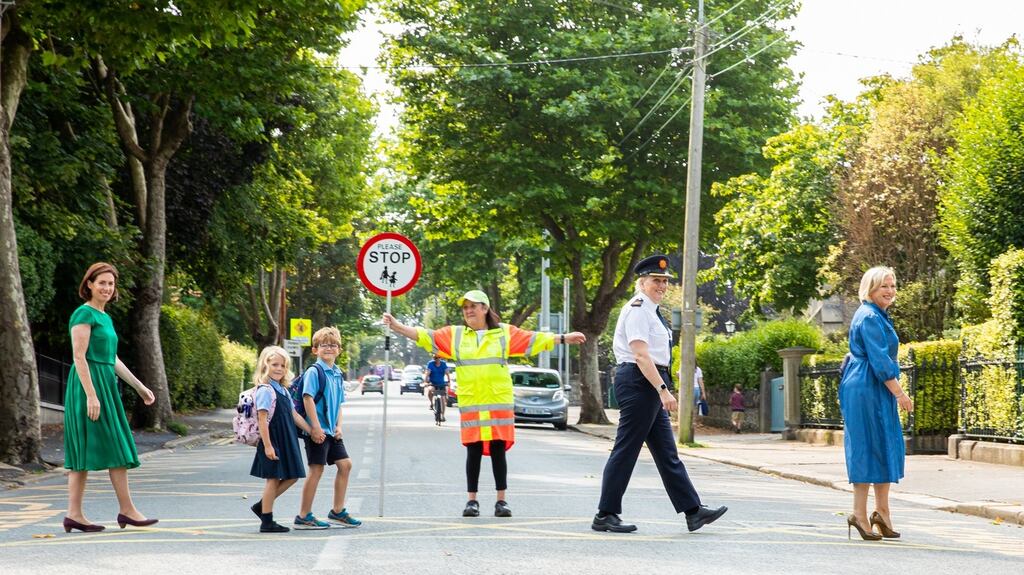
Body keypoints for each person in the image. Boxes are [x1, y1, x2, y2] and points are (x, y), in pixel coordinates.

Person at [383, 290, 585, 518]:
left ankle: (501, 501)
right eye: (465, 307)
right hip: (472, 402)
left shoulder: (503, 333)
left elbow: (534, 339)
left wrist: (564, 338)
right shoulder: (455, 335)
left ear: (485, 309)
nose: (468, 311)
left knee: (499, 450)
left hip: (498, 402)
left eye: (473, 306)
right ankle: (472, 501)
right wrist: (397, 326)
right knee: (474, 451)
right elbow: (425, 335)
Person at [593, 254, 727, 534]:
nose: (662, 286)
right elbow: (641, 356)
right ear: (642, 283)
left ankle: (693, 511)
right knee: (626, 449)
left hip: (650, 382)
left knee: (667, 453)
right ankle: (605, 513)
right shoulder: (639, 308)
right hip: (640, 381)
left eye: (665, 281)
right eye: (656, 280)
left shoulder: (652, 311)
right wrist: (663, 390)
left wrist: (662, 386)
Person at [63, 262, 159, 533]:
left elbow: (111, 358)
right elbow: (79, 356)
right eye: (101, 282)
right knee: (89, 449)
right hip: (88, 387)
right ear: (89, 285)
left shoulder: (105, 318)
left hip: (106, 384)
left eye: (110, 283)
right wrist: (91, 396)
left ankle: (78, 514)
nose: (106, 288)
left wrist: (139, 386)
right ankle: (114, 511)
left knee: (114, 446)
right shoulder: (83, 314)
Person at [839, 266, 913, 541]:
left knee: (884, 444)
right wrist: (899, 393)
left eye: (893, 286)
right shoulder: (869, 316)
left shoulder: (878, 315)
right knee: (866, 446)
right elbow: (880, 362)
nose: (890, 291)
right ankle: (859, 514)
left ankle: (882, 511)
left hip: (872, 387)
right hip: (866, 387)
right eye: (884, 286)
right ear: (870, 288)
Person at [294, 327, 362, 530]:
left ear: (339, 350)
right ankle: (303, 516)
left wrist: (339, 426)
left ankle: (337, 511)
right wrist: (314, 428)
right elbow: (308, 399)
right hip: (317, 430)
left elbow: (339, 404)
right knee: (316, 470)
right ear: (315, 349)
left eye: (333, 345)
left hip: (331, 431)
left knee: (345, 465)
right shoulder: (315, 372)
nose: (329, 348)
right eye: (324, 345)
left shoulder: (337, 374)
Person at [248, 346, 312, 533]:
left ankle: (262, 506)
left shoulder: (283, 390)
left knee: (292, 476)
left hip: (286, 438)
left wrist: (311, 431)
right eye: (274, 364)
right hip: (273, 440)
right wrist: (268, 446)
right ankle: (266, 521)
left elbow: (294, 415)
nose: (279, 368)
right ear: (265, 365)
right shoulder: (265, 390)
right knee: (273, 479)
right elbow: (262, 419)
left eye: (283, 365)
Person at [424, 354, 451, 420]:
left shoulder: (443, 364)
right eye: (435, 358)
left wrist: (449, 382)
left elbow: (447, 373)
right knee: (430, 390)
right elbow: (427, 373)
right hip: (432, 383)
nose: (437, 359)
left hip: (441, 384)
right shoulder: (431, 364)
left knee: (443, 399)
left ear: (440, 358)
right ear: (434, 358)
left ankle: (443, 416)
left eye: (439, 358)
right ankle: (431, 403)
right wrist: (426, 382)